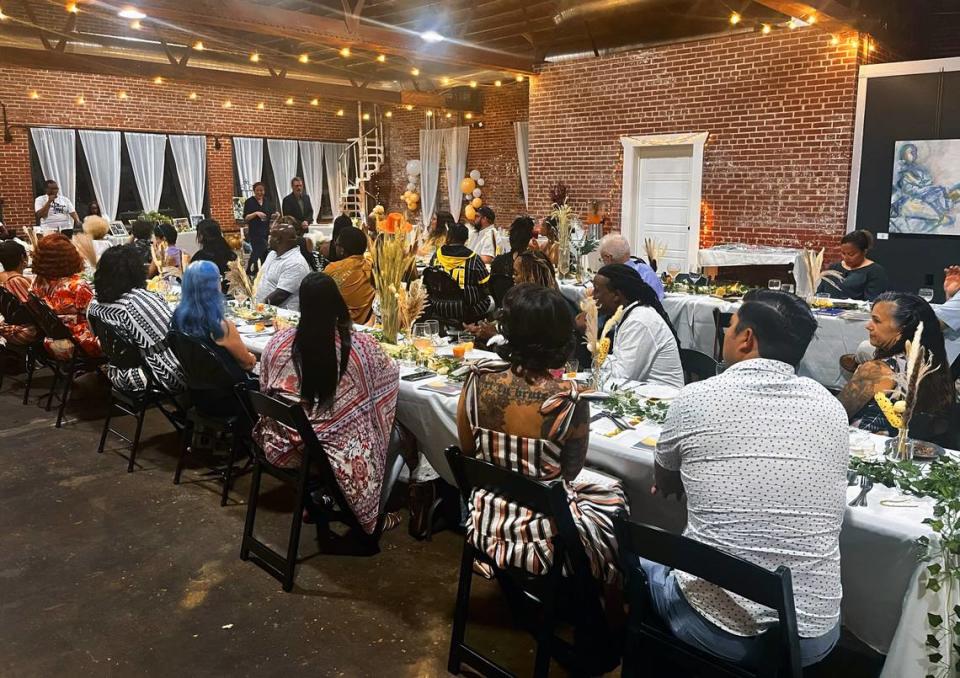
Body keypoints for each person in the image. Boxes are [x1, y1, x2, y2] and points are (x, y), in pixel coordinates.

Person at [650, 289, 847, 670]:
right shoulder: (830, 407)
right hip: (813, 636)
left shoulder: (696, 398)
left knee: (633, 553)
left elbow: (667, 481)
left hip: (714, 626)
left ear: (747, 338)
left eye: (730, 325)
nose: (725, 334)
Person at [456, 283, 627, 583]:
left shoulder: (476, 380)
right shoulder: (569, 399)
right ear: (560, 338)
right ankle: (609, 600)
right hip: (543, 540)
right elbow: (570, 473)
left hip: (484, 524)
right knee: (616, 498)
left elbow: (468, 453)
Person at [254, 272, 400, 535]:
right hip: (325, 453)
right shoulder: (359, 347)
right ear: (337, 302)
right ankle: (372, 514)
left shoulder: (277, 342)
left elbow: (264, 386)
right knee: (396, 434)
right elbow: (388, 377)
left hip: (282, 442)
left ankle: (322, 494)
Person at [838, 292, 954, 436]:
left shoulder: (877, 371)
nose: (868, 326)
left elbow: (836, 415)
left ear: (902, 329)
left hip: (869, 449)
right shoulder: (936, 367)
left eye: (876, 321)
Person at [88, 245, 185, 393]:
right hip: (158, 375)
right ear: (136, 270)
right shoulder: (138, 302)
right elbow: (172, 335)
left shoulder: (94, 304)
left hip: (117, 373)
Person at [171, 261, 257, 413]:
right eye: (218, 278)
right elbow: (247, 364)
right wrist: (253, 357)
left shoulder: (178, 317)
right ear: (213, 286)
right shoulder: (221, 326)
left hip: (197, 393)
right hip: (232, 397)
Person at [589, 264, 683, 388]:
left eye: (597, 290)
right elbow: (618, 364)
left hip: (661, 399)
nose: (593, 297)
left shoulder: (639, 321)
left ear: (616, 295)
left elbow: (621, 379)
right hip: (639, 394)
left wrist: (590, 340)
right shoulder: (629, 314)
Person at [31, 233, 101, 359]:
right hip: (80, 344)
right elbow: (97, 316)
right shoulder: (76, 286)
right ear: (70, 257)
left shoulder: (37, 283)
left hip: (50, 341)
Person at [428, 222, 491, 324]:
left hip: (438, 306)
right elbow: (486, 286)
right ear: (466, 240)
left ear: (448, 237)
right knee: (491, 300)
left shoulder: (437, 255)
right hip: (466, 310)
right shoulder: (473, 259)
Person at [817, 229, 889, 301]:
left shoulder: (875, 271)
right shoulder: (833, 268)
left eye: (851, 254)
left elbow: (872, 302)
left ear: (864, 251)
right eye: (843, 253)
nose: (846, 258)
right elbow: (820, 293)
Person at [323, 226, 374, 324]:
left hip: (339, 325)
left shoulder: (333, 269)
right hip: (367, 325)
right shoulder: (371, 265)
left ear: (342, 250)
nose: (335, 247)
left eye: (336, 245)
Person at [256, 223, 311, 311]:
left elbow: (280, 295)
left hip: (282, 316)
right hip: (264, 310)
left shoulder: (295, 263)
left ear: (278, 240)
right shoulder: (272, 254)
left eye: (271, 236)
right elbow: (262, 277)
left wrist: (258, 309)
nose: (268, 239)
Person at [598, 233, 665, 301]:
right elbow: (659, 298)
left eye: (602, 259)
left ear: (608, 258)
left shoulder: (610, 277)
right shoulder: (647, 271)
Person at [488, 216, 535, 307]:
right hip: (526, 311)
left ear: (510, 238)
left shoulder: (498, 261)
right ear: (529, 238)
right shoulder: (533, 263)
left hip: (502, 308)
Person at [0, 240, 38, 345]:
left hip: (7, 328)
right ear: (23, 258)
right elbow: (37, 309)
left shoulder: (2, 277)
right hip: (24, 332)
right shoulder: (17, 281)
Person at [243, 182, 273, 272]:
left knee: (262, 253)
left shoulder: (267, 202)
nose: (260, 192)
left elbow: (271, 215)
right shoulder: (249, 202)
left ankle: (259, 271)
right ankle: (250, 269)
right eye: (258, 190)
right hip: (255, 232)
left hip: (265, 231)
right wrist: (256, 214)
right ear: (254, 191)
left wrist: (275, 217)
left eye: (262, 190)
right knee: (259, 249)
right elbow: (246, 218)